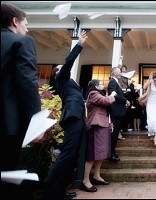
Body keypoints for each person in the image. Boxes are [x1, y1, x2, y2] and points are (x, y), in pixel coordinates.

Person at [1, 3, 41, 198]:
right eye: (25, 23)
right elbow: (28, 83)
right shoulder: (22, 42)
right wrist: (37, 125)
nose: (27, 28)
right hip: (6, 125)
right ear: (15, 21)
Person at [43, 30, 88, 199]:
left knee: (71, 155)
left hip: (78, 117)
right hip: (72, 117)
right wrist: (79, 44)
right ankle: (50, 192)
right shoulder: (62, 79)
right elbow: (68, 62)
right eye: (60, 69)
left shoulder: (69, 83)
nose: (64, 69)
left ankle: (59, 190)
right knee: (68, 154)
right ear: (57, 73)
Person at [80, 80, 116, 193]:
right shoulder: (93, 94)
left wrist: (110, 124)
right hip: (95, 126)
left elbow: (105, 111)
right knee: (92, 154)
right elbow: (106, 101)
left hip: (103, 125)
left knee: (101, 153)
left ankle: (96, 176)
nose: (102, 85)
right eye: (100, 84)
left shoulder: (98, 94)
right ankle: (85, 180)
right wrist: (112, 95)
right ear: (96, 86)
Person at [108, 67, 130, 162]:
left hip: (118, 111)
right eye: (119, 71)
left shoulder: (116, 82)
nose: (121, 73)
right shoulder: (112, 82)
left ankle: (112, 152)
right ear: (114, 73)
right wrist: (125, 100)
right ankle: (111, 154)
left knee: (116, 133)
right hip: (116, 112)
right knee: (114, 133)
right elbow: (114, 95)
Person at [142, 72, 156, 146]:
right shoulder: (150, 82)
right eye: (154, 80)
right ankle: (151, 133)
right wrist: (149, 79)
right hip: (150, 103)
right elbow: (145, 89)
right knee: (150, 120)